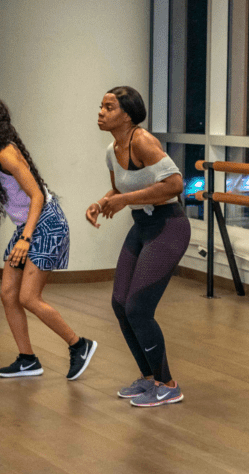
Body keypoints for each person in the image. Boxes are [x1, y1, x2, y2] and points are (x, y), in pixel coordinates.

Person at [0, 96, 97, 380]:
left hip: (46, 222)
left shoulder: (6, 153)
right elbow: (10, 194)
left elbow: (36, 196)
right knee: (9, 294)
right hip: (29, 225)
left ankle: (79, 345)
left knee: (29, 297)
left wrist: (26, 238)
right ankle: (27, 359)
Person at [87, 86, 189, 407]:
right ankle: (149, 380)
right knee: (120, 304)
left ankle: (168, 384)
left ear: (127, 114)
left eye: (109, 107)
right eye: (101, 106)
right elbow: (119, 187)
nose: (101, 112)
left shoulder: (142, 141)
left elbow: (174, 184)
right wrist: (102, 202)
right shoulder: (111, 150)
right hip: (143, 226)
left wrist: (123, 201)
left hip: (168, 226)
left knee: (138, 308)